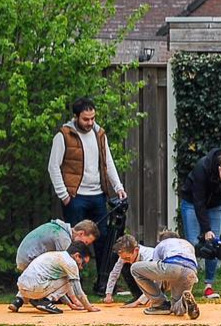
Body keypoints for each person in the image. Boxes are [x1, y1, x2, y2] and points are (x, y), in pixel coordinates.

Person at [48, 97, 127, 294]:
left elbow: (108, 162)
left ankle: (103, 283)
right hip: (75, 197)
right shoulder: (64, 136)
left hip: (98, 196)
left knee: (103, 240)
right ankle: (73, 285)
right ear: (76, 117)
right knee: (75, 243)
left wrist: (118, 187)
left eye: (93, 118)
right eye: (86, 119)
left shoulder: (99, 134)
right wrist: (64, 195)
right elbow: (53, 167)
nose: (90, 122)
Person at [179, 147, 221, 299]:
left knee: (215, 244)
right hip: (192, 203)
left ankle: (209, 286)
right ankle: (187, 285)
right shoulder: (202, 168)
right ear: (220, 170)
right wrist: (206, 229)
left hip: (215, 205)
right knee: (193, 243)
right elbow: (199, 201)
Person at [8, 219, 99, 312]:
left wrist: (69, 304)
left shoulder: (59, 229)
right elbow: (69, 278)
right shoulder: (64, 239)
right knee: (66, 277)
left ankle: (18, 300)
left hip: (24, 265)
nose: (84, 245)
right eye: (86, 242)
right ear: (81, 233)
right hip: (30, 260)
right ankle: (45, 301)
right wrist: (75, 301)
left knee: (37, 276)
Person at [15, 241, 99, 314]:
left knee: (63, 279)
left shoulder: (56, 255)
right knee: (69, 279)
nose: (81, 267)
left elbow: (57, 288)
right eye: (83, 263)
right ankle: (45, 302)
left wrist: (70, 304)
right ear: (77, 256)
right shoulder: (70, 263)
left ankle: (18, 302)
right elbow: (78, 291)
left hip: (22, 289)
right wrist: (88, 307)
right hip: (36, 288)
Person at [131, 230, 200, 319]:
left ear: (161, 240)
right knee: (176, 306)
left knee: (135, 269)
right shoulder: (187, 244)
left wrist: (156, 296)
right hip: (191, 272)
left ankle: (159, 304)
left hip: (172, 266)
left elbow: (157, 276)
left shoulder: (162, 244)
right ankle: (183, 301)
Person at [103, 234, 155, 307]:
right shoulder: (124, 256)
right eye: (123, 258)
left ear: (136, 250)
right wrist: (108, 294)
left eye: (127, 258)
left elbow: (156, 282)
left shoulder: (148, 257)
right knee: (126, 267)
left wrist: (137, 303)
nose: (125, 260)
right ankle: (138, 295)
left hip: (162, 278)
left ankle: (149, 299)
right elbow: (114, 273)